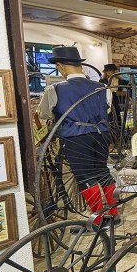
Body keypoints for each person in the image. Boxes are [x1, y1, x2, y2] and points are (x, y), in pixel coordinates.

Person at [37, 46, 118, 226]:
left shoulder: (55, 89)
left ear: (60, 66)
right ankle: (113, 212)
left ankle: (97, 220)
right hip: (101, 134)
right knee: (102, 170)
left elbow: (44, 114)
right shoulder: (102, 87)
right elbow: (107, 109)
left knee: (85, 176)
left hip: (76, 137)